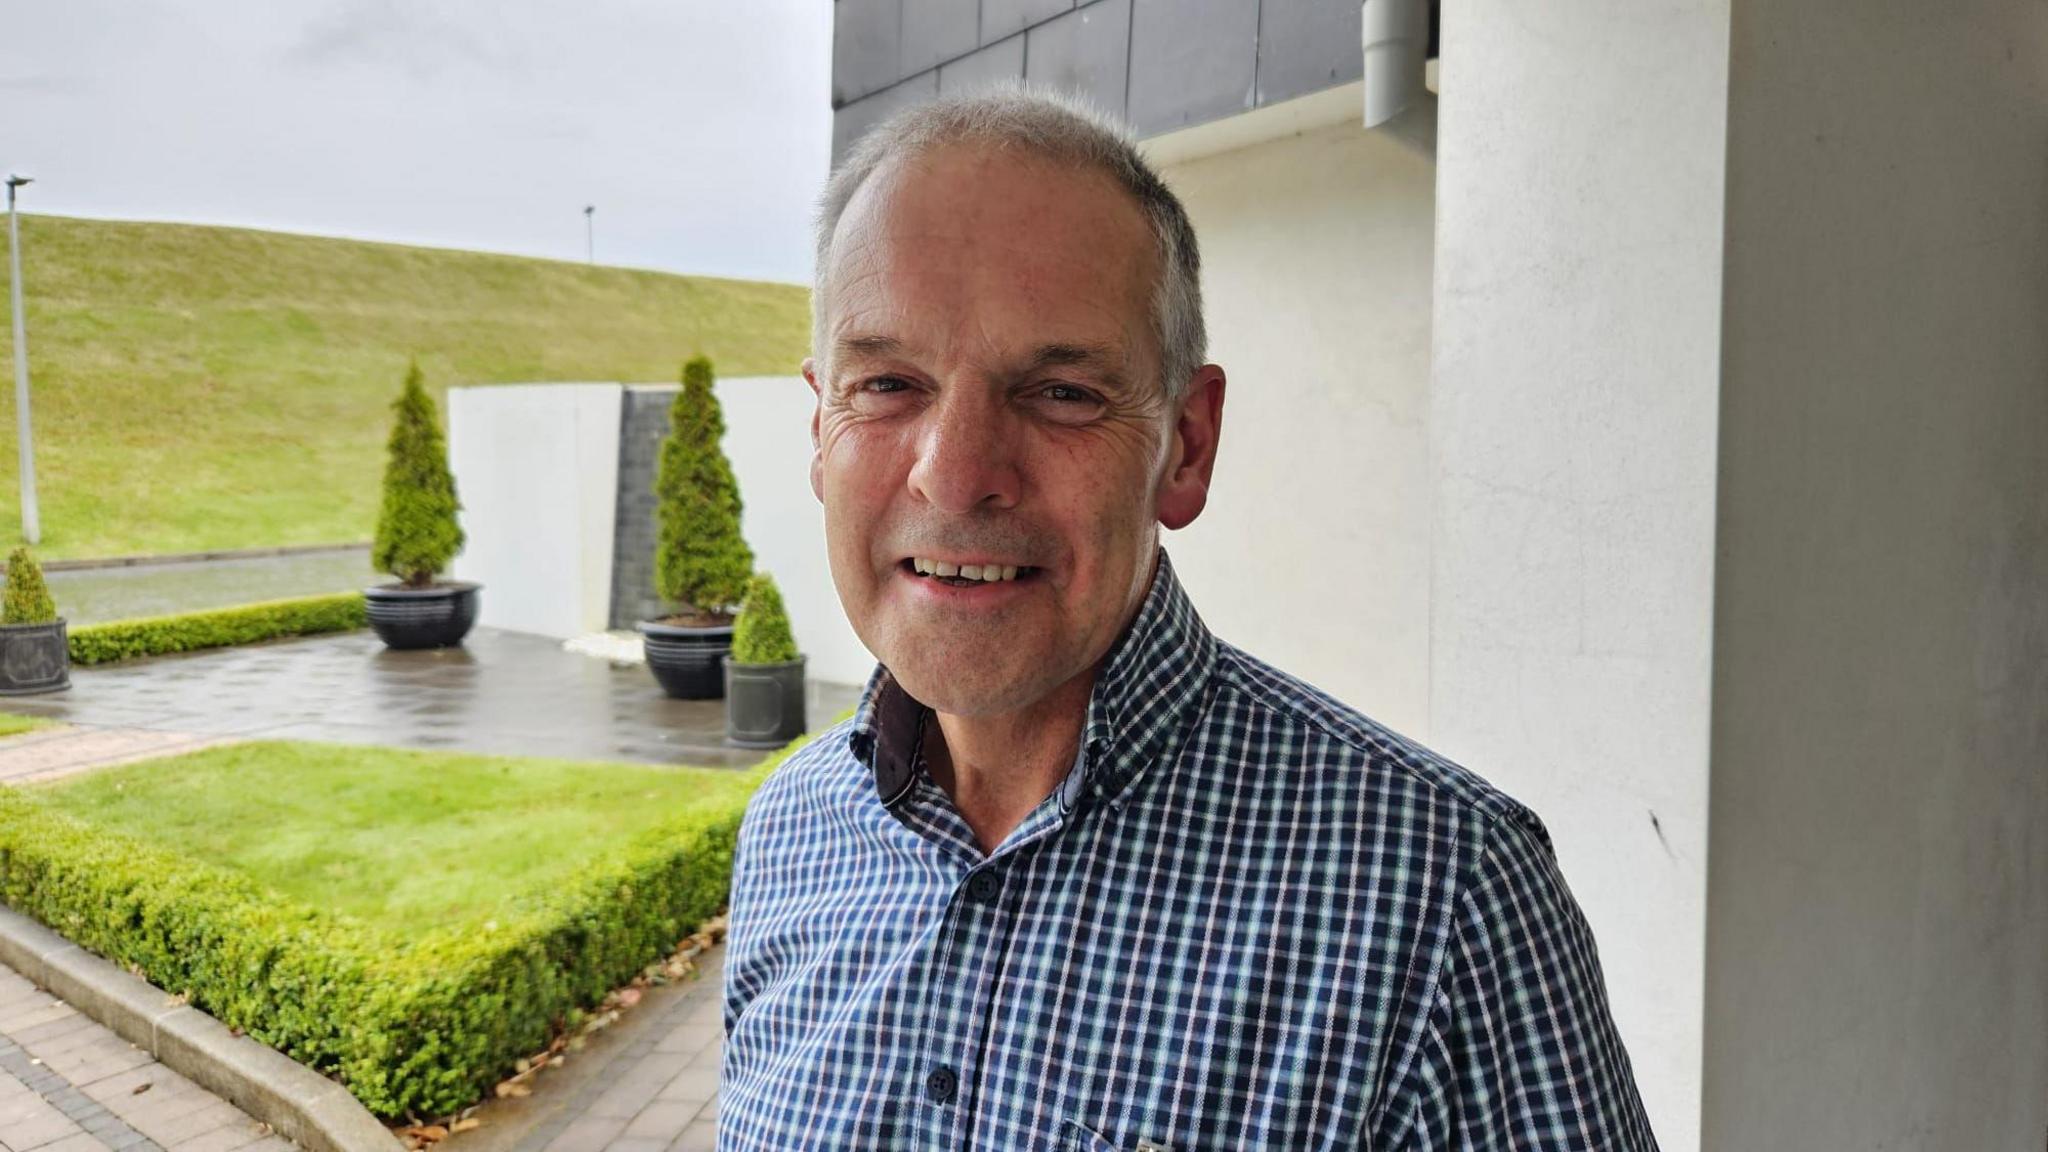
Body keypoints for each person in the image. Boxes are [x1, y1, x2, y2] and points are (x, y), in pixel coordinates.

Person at [718, 86, 1659, 1151]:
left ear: (1186, 445)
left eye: (1062, 392)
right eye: (886, 383)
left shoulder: (1446, 901)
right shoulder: (787, 834)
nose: (956, 473)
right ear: (818, 430)